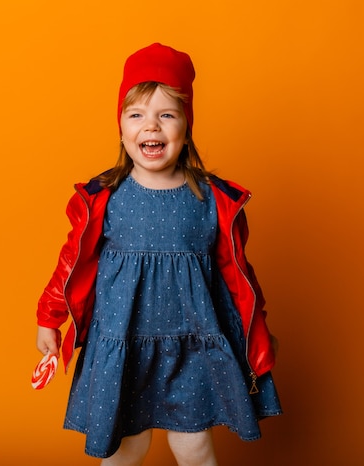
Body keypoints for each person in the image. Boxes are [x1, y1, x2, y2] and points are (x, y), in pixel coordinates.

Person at [36, 43, 282, 465]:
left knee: (194, 446)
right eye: (137, 115)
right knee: (124, 447)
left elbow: (237, 272)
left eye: (166, 114)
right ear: (120, 127)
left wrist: (256, 328)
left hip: (192, 346)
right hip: (125, 342)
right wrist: (49, 317)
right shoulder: (106, 198)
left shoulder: (211, 200)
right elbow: (71, 263)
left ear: (187, 125)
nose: (151, 126)